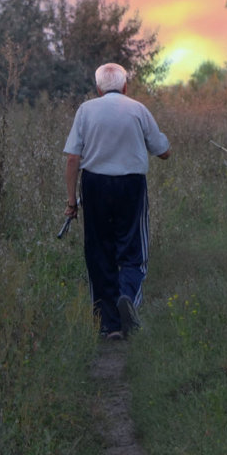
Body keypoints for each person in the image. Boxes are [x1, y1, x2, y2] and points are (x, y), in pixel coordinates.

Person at [63, 63, 170, 339]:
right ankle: (128, 296)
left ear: (98, 89)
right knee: (134, 249)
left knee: (99, 253)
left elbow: (73, 157)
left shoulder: (86, 110)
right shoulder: (137, 109)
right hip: (131, 185)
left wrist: (71, 200)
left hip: (95, 184)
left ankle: (109, 325)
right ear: (125, 86)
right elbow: (163, 152)